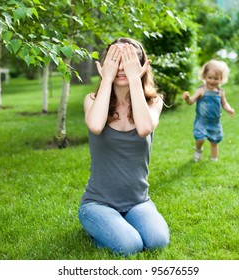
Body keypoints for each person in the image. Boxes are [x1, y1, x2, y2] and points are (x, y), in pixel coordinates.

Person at [78, 37, 169, 257]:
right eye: (114, 61)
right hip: (98, 203)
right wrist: (107, 79)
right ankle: (101, 227)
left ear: (141, 66)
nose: (121, 68)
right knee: (131, 246)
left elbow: (144, 128)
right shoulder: (92, 99)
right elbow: (96, 126)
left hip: (138, 202)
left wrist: (134, 80)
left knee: (157, 241)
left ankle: (118, 225)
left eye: (127, 61)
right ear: (104, 65)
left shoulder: (153, 102)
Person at [182, 59, 235, 162]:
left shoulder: (220, 92)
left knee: (215, 141)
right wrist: (187, 98)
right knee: (200, 138)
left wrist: (229, 109)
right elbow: (191, 101)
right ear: (204, 76)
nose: (212, 81)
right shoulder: (201, 90)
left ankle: (214, 159)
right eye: (209, 77)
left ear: (221, 79)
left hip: (215, 122)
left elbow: (224, 103)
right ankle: (198, 150)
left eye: (216, 78)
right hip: (202, 121)